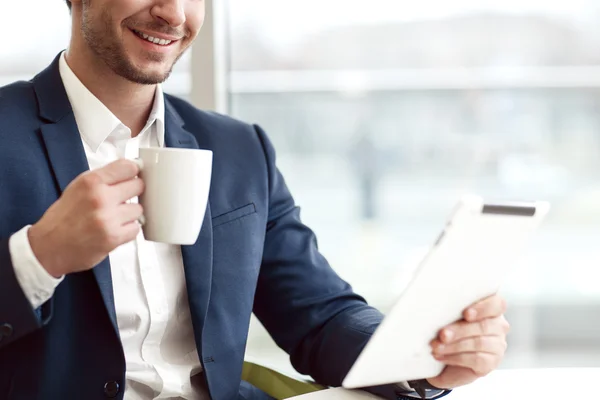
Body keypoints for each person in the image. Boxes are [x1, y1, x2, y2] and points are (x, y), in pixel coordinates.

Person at [0, 1, 510, 399]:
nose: (174, 13)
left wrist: (423, 356)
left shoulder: (239, 150)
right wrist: (39, 256)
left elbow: (320, 315)